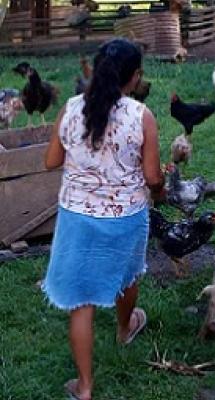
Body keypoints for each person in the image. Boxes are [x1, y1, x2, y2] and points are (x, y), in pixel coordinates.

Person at [43, 38, 164, 400]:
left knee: (81, 303)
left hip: (76, 218)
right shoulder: (142, 116)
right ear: (135, 76)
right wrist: (161, 192)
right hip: (125, 217)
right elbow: (153, 177)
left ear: (95, 70)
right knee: (127, 275)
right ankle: (125, 328)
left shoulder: (69, 109)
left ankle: (84, 388)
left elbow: (50, 162)